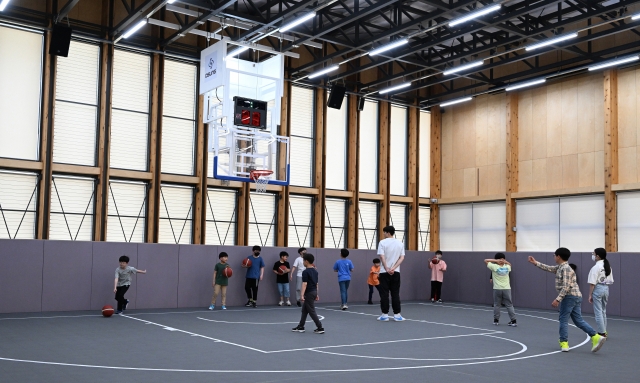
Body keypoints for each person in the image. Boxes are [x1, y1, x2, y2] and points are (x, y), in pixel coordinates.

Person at [528, 248, 606, 352]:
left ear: (558, 256)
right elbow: (549, 268)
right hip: (575, 296)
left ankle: (564, 342)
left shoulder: (565, 269)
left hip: (569, 297)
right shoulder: (562, 267)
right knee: (578, 320)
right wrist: (535, 263)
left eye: (554, 255)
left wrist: (558, 299)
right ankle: (595, 336)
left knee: (563, 320)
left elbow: (566, 286)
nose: (554, 257)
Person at [376, 226, 406, 322]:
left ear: (388, 233)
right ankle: (397, 315)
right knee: (395, 293)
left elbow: (382, 256)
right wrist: (393, 268)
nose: (384, 234)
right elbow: (402, 258)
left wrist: (387, 268)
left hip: (384, 272)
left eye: (384, 232)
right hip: (396, 272)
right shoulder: (400, 243)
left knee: (384, 294)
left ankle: (384, 315)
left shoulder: (382, 242)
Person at [291, 253, 324, 334]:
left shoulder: (305, 272)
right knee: (304, 310)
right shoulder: (315, 272)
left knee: (311, 311)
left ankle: (320, 327)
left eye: (303, 261)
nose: (302, 262)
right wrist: (316, 294)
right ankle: (301, 326)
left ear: (306, 261)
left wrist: (301, 295)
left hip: (309, 293)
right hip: (313, 292)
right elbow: (316, 284)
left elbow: (304, 284)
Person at [485, 253, 517, 326]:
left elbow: (485, 260)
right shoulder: (507, 267)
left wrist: (496, 261)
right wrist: (504, 261)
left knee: (497, 305)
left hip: (497, 288)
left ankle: (496, 320)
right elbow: (510, 264)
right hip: (506, 288)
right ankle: (513, 320)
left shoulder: (494, 266)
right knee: (509, 305)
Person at [588, 247, 614, 337]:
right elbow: (610, 281)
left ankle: (601, 333)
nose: (593, 255)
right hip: (606, 288)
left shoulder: (596, 267)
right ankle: (604, 331)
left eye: (593, 254)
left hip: (598, 288)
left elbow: (592, 283)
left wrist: (590, 295)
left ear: (598, 256)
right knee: (603, 311)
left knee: (598, 311)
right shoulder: (607, 266)